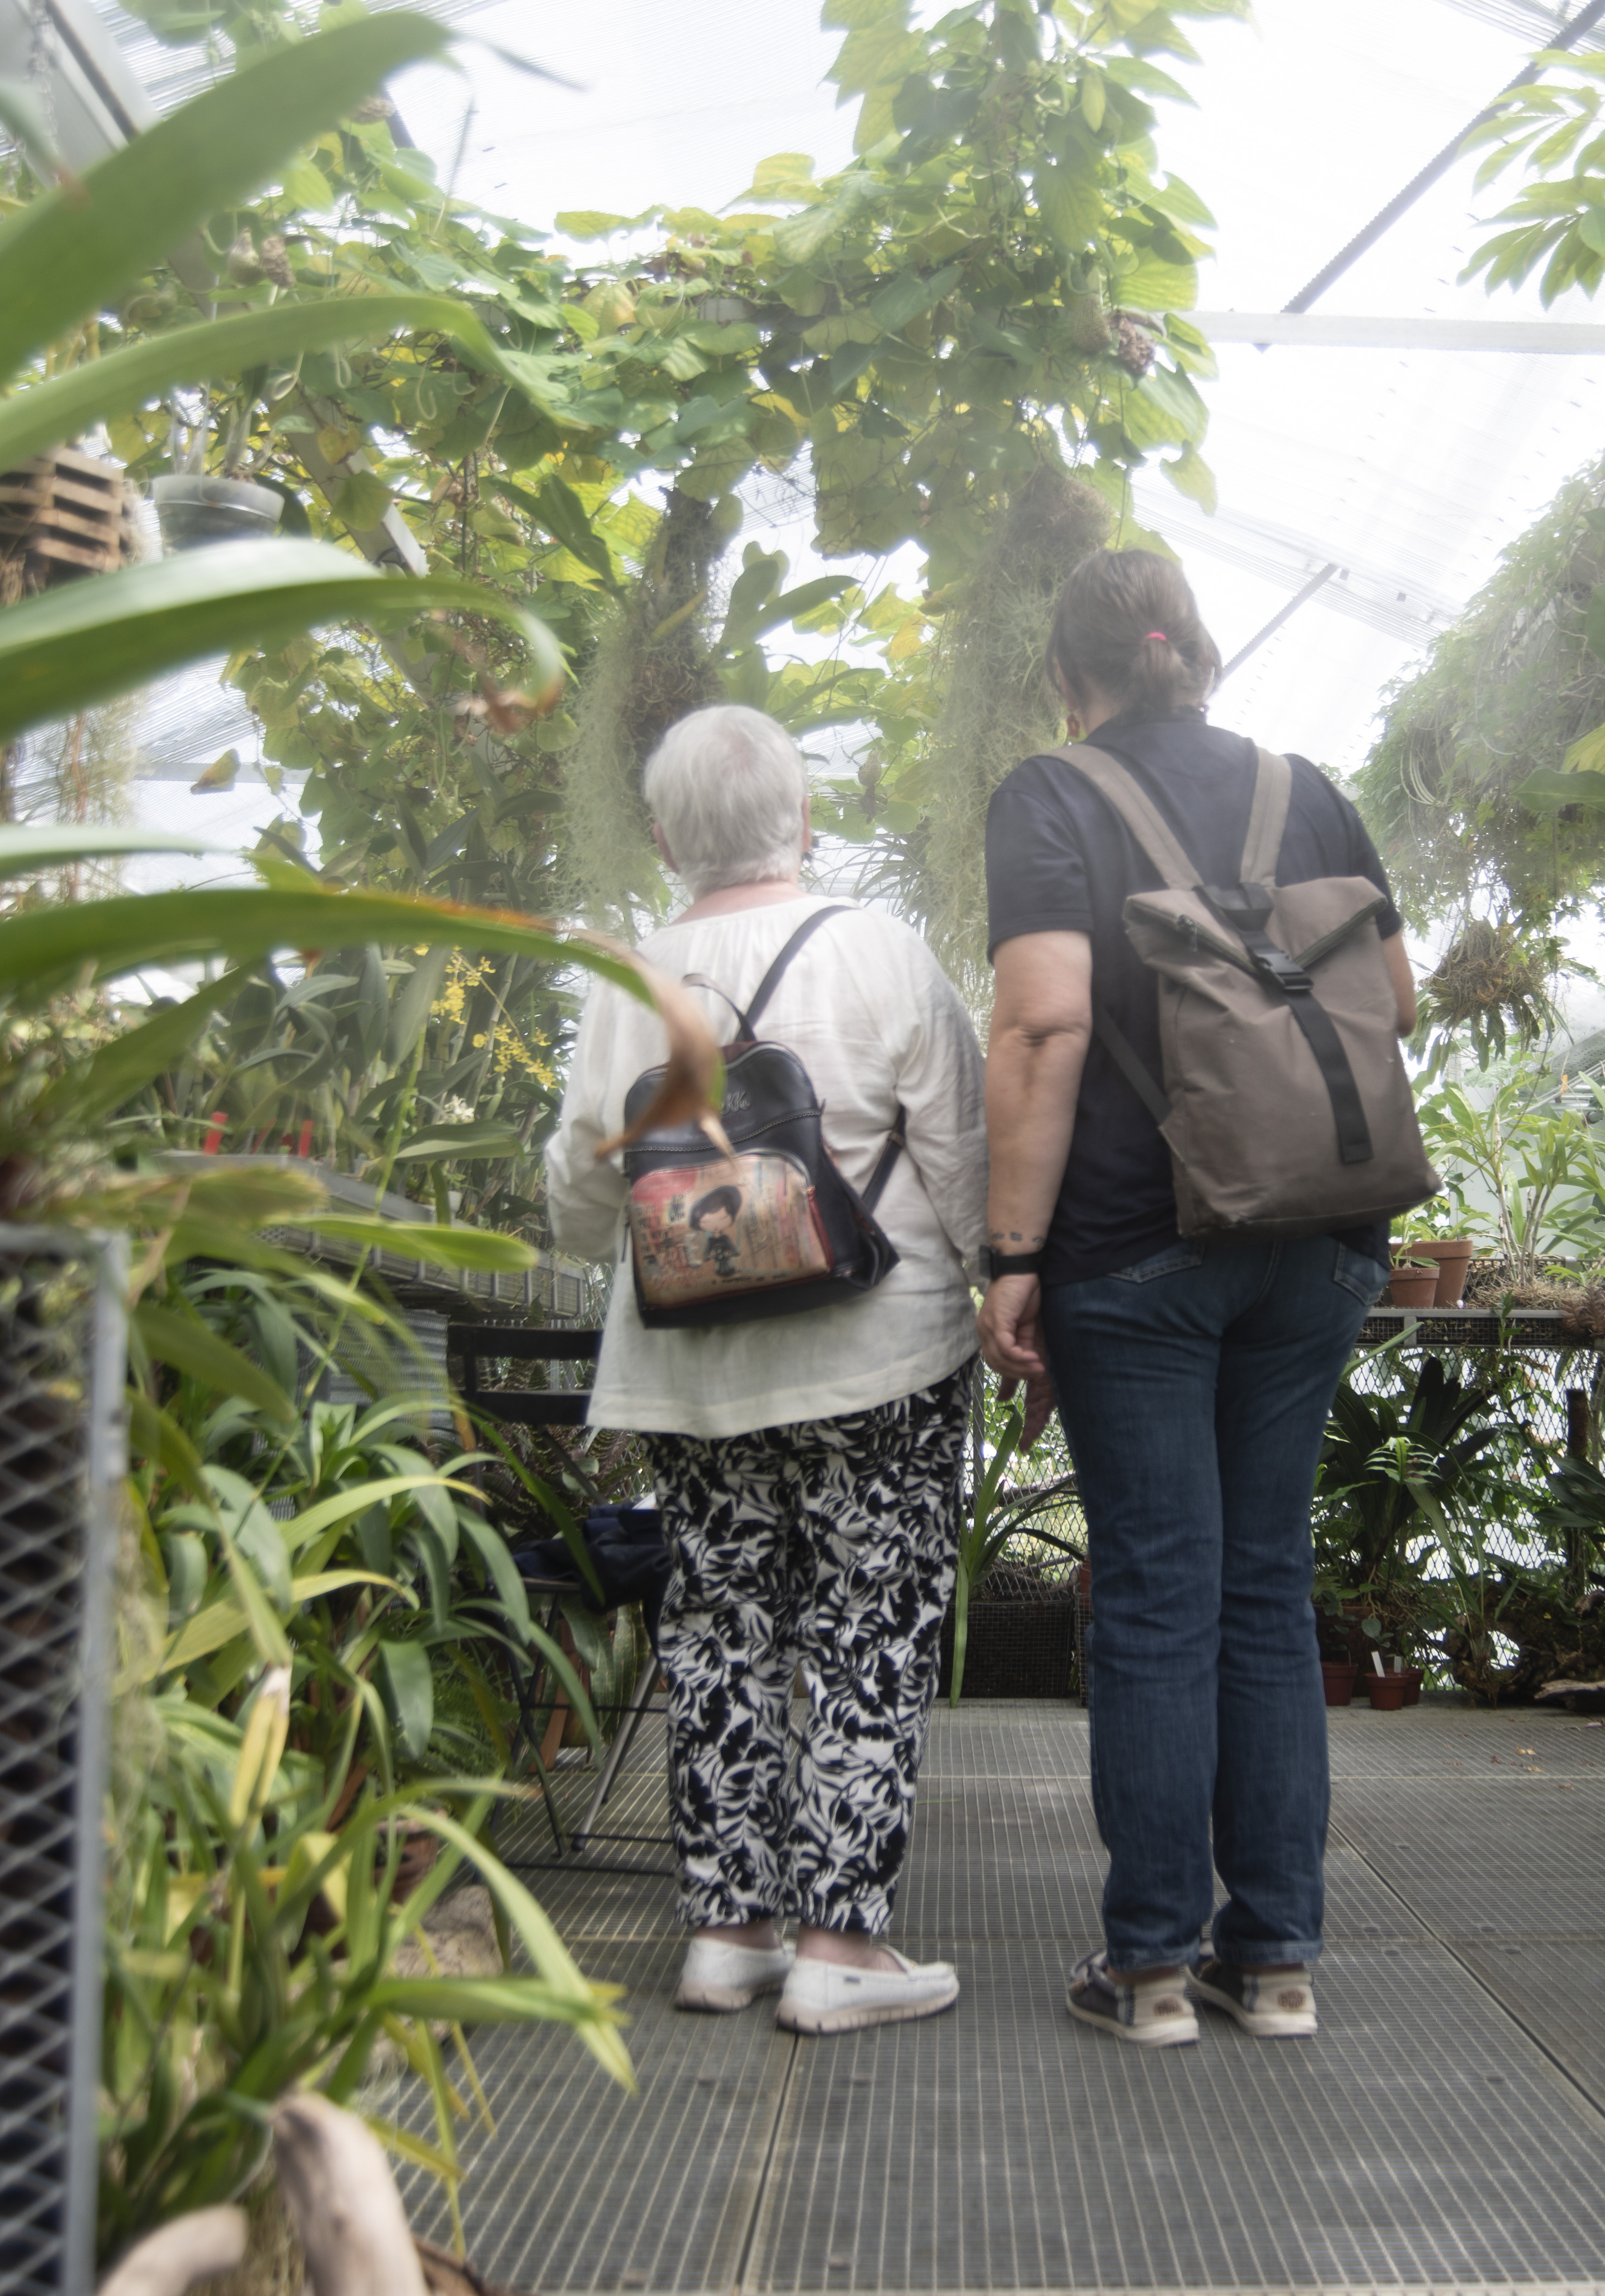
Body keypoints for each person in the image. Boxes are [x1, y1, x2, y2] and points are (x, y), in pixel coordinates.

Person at [972, 549, 1417, 2047]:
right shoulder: (1311, 788)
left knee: (1159, 1592)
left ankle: (1152, 1966)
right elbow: (1394, 1003)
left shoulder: (1051, 796)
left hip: (1134, 1245)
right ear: (1201, 657)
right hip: (1322, 1237)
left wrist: (1011, 1256)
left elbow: (1043, 1024)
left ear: (1067, 673)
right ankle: (1275, 1959)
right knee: (1267, 1587)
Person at [545, 703, 986, 2036]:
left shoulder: (627, 981)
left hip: (693, 1376)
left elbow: (577, 1197)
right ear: (804, 821)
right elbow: (961, 1153)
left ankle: (726, 1935)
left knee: (719, 1628)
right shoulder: (881, 951)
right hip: (883, 1358)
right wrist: (1004, 1289)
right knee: (871, 1628)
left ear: (671, 836)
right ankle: (842, 1949)